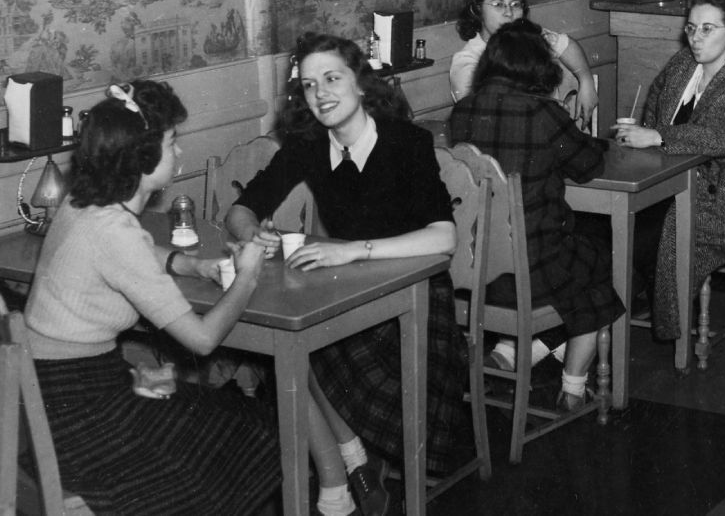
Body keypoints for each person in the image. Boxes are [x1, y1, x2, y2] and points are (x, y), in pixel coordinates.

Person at [226, 32, 469, 515]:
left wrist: (351, 252)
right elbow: (241, 208)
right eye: (310, 85)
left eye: (332, 78)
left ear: (360, 83)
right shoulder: (308, 145)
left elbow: (444, 239)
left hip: (416, 301)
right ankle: (346, 468)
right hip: (345, 293)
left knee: (306, 350)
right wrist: (252, 231)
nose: (321, 94)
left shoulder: (406, 143)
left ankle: (345, 470)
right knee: (292, 349)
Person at [24, 81, 279, 515]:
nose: (178, 154)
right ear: (143, 158)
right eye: (171, 142)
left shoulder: (85, 204)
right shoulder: (115, 231)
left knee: (217, 417)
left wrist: (191, 265)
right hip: (82, 413)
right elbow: (201, 341)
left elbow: (133, 251)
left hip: (54, 390)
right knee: (251, 431)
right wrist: (248, 275)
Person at [448, 19, 626, 410]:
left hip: (471, 271)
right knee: (597, 267)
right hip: (531, 269)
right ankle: (574, 389)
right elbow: (587, 166)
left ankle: (516, 351)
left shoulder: (461, 113)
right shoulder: (541, 113)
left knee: (573, 257)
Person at [612, 0, 725, 342]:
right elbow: (654, 110)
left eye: (707, 29)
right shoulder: (682, 65)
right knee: (615, 225)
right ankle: (605, 316)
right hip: (669, 184)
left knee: (658, 231)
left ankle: (640, 317)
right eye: (690, 28)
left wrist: (658, 136)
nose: (695, 38)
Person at [449, 0, 599, 129]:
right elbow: (486, 119)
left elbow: (567, 44)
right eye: (498, 4)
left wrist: (586, 81)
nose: (509, 13)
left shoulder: (529, 39)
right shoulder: (467, 61)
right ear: (478, 10)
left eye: (515, 5)